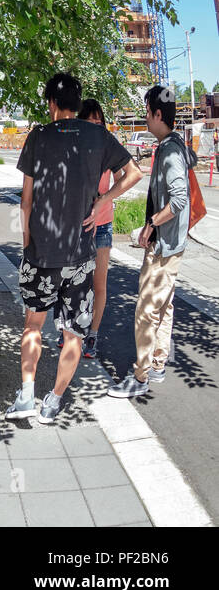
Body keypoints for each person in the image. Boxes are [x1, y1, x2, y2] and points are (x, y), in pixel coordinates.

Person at [5, 73, 141, 424]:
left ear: (51, 103)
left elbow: (26, 199)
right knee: (73, 334)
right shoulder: (98, 135)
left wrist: (26, 241)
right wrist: (103, 202)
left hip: (42, 253)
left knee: (32, 327)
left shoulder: (38, 136)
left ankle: (26, 395)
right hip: (81, 256)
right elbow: (134, 173)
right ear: (78, 104)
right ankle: (54, 401)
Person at [108, 85, 195, 398]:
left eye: (147, 111)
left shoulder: (171, 151)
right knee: (164, 306)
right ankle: (157, 364)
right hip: (175, 244)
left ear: (159, 115)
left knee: (146, 311)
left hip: (163, 247)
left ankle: (140, 376)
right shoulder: (176, 145)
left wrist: (151, 225)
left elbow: (180, 198)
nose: (144, 116)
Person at [68, 99, 128, 359]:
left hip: (102, 224)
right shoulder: (74, 148)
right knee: (73, 281)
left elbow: (128, 175)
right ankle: (70, 331)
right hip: (76, 226)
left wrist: (105, 197)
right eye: (90, 121)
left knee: (98, 283)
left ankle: (92, 335)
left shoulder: (108, 147)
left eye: (99, 121)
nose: (95, 125)